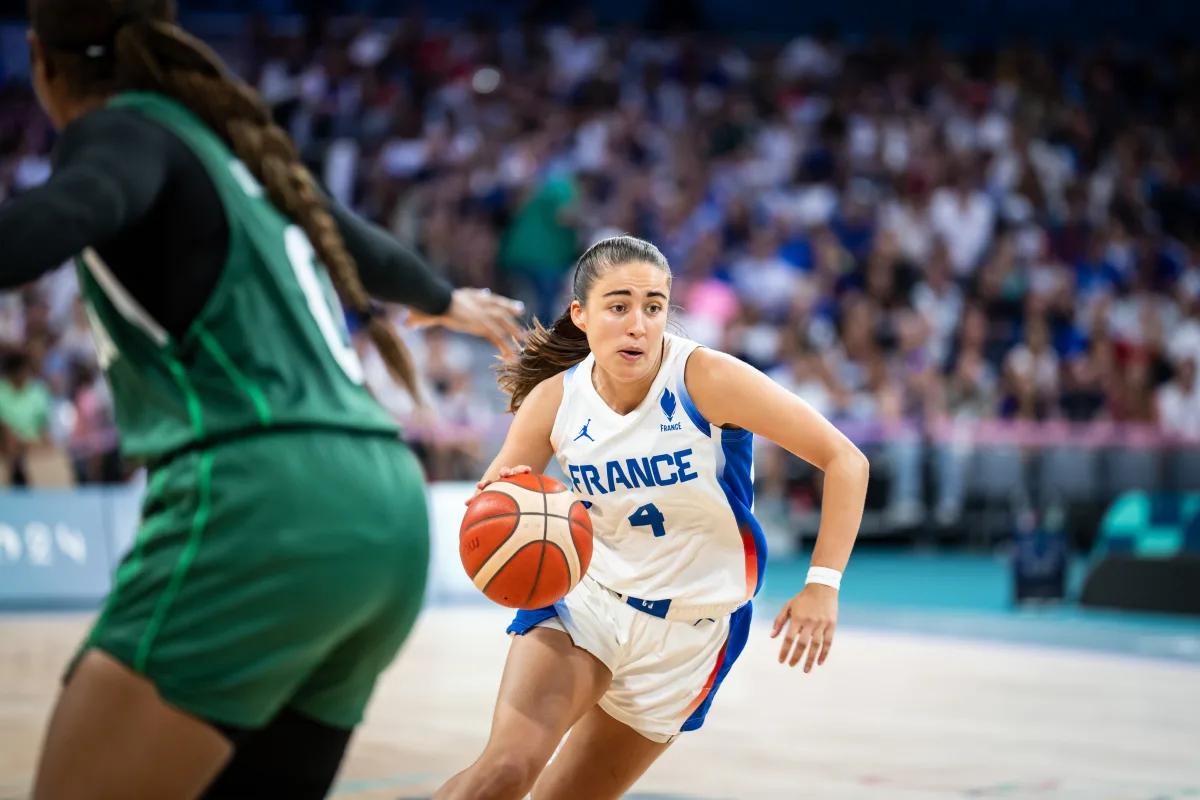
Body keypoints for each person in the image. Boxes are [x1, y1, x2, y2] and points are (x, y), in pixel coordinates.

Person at [1, 1, 525, 797]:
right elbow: (349, 236)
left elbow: (71, 208)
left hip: (265, 504)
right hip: (384, 510)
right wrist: (445, 297)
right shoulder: (238, 155)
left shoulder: (123, 131)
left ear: (41, 62)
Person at [435, 235, 870, 800]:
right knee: (502, 774)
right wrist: (503, 520)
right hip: (589, 603)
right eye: (618, 306)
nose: (638, 323)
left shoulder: (706, 378)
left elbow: (846, 460)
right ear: (582, 316)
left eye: (654, 306)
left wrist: (822, 585)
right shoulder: (554, 400)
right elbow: (495, 505)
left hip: (692, 633)